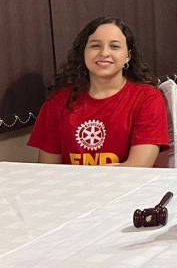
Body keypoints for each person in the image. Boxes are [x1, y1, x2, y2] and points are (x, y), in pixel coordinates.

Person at [30, 17, 169, 166]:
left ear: (128, 56)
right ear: (83, 53)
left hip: (126, 182)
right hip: (72, 182)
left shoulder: (148, 98)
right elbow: (48, 170)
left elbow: (138, 167)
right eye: (95, 46)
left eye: (114, 46)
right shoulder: (58, 101)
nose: (104, 53)